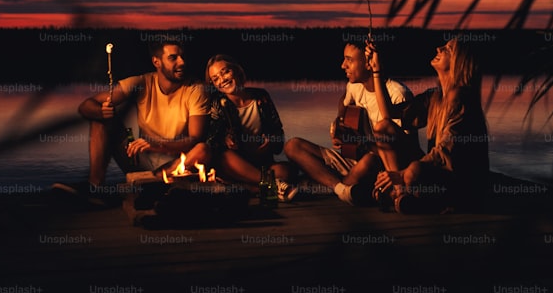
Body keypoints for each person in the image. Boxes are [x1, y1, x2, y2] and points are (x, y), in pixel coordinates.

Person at [58, 39, 211, 195]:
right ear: (156, 62)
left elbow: (195, 139)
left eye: (183, 56)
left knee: (202, 149)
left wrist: (156, 144)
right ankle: (95, 188)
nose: (182, 62)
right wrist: (101, 112)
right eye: (173, 58)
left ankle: (158, 182)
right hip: (140, 159)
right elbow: (86, 106)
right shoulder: (141, 82)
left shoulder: (196, 89)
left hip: (175, 164)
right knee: (101, 121)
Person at [283, 40, 417, 205]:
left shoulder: (397, 94)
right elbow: (343, 101)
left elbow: (404, 150)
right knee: (292, 146)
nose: (343, 65)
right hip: (355, 157)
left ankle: (325, 183)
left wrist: (362, 143)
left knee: (369, 160)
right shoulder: (354, 86)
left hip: (382, 166)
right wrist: (340, 121)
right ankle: (341, 188)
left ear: (369, 64)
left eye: (349, 60)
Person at [369, 36, 490, 213]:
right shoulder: (435, 96)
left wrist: (400, 174)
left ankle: (413, 196)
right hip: (436, 174)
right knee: (383, 128)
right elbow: (389, 113)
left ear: (460, 62)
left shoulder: (462, 99)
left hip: (460, 182)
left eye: (448, 49)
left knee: (413, 171)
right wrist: (376, 71)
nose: (438, 48)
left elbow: (445, 154)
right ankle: (401, 194)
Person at [186, 55, 295, 199]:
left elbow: (278, 137)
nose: (222, 79)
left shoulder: (261, 96)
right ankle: (270, 185)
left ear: (237, 71)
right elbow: (211, 144)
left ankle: (252, 188)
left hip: (260, 163)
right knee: (224, 156)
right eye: (215, 78)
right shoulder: (217, 103)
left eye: (225, 72)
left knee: (285, 172)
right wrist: (224, 139)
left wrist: (271, 140)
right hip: (235, 165)